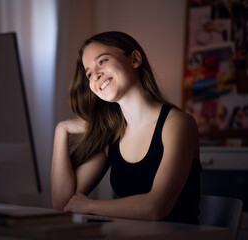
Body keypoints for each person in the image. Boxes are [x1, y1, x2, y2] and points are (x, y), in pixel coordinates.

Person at [51, 31, 202, 224]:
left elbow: (156, 207)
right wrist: (60, 131)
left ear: (135, 59)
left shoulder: (178, 124)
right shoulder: (112, 135)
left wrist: (88, 206)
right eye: (88, 73)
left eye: (103, 61)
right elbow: (62, 202)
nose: (95, 75)